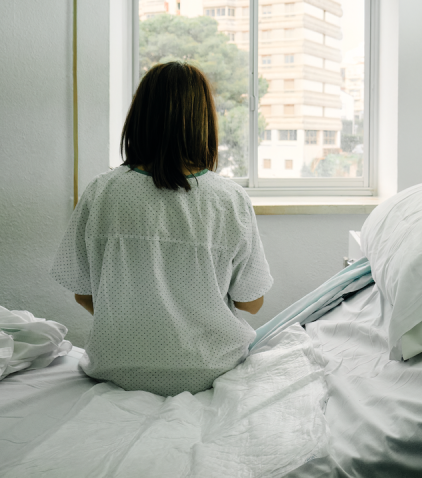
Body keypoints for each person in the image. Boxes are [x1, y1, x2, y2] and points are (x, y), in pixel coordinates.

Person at [49, 62, 272, 396]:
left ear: (139, 117)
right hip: (210, 370)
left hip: (116, 368)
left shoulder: (102, 192)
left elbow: (82, 291)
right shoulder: (230, 200)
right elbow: (251, 303)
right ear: (204, 122)